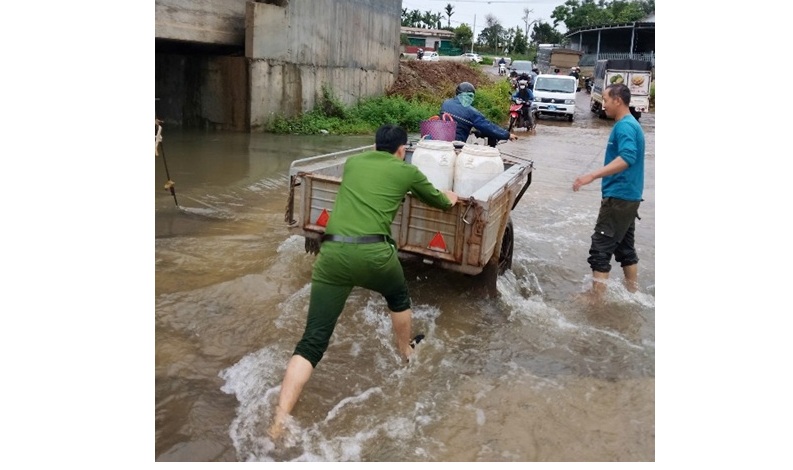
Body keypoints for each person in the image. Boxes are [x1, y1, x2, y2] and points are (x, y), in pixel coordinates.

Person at [268, 124, 459, 438]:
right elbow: (439, 201)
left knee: (311, 342)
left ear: (374, 145)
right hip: (376, 255)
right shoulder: (406, 171)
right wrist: (449, 197)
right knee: (398, 298)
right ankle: (405, 351)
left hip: (332, 256)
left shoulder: (354, 163)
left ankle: (278, 422)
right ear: (402, 151)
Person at [572, 83, 645, 300]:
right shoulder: (631, 124)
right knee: (624, 249)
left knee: (600, 248)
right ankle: (633, 293)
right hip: (629, 197)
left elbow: (628, 157)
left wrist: (592, 176)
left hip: (619, 198)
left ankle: (596, 299)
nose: (602, 105)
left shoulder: (624, 127)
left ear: (618, 101)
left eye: (605, 100)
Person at [440, 82, 517, 147]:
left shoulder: (446, 103)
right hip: (456, 144)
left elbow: (457, 122)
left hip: (440, 139)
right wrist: (507, 135)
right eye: (470, 96)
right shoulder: (470, 111)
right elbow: (488, 126)